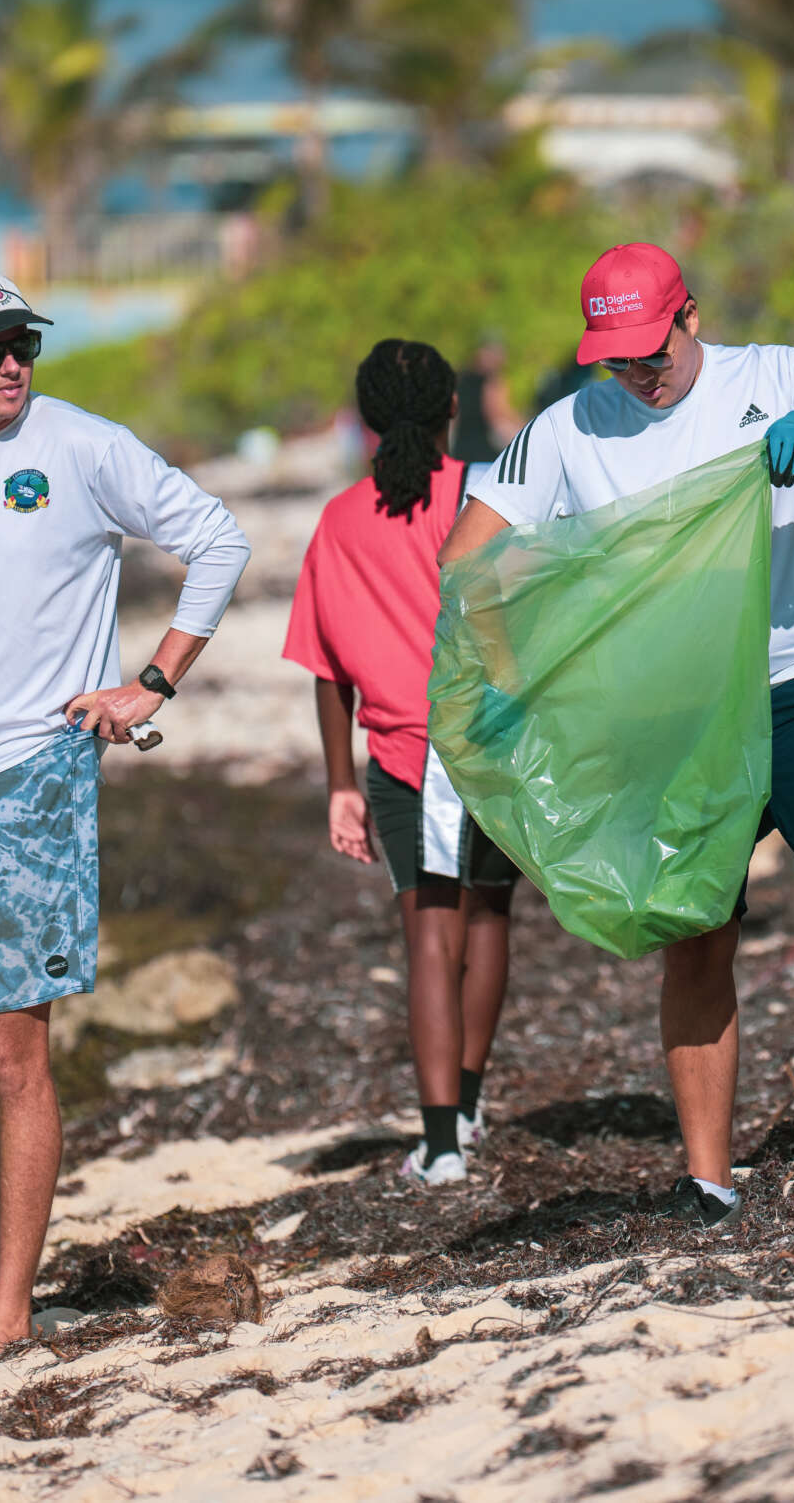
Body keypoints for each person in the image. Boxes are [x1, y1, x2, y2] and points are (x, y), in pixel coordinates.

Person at [442, 242, 794, 1228]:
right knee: (696, 930)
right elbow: (470, 558)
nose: (637, 372)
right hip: (673, 709)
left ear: (689, 317)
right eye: (616, 357)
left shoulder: (774, 373)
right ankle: (708, 1178)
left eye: (651, 348)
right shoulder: (566, 430)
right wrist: (534, 660)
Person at [0, 269, 251, 1390]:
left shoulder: (84, 446)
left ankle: (11, 1308)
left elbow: (218, 541)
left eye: (24, 343)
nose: (11, 364)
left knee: (12, 1052)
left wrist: (152, 682)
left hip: (33, 779)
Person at [284, 339, 521, 1187]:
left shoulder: (341, 520)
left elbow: (327, 668)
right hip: (492, 743)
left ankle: (442, 1144)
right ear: (455, 407)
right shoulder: (485, 495)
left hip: (401, 756)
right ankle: (469, 1103)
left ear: (367, 419)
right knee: (488, 916)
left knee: (429, 933)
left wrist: (340, 784)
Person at [448, 331, 517, 465]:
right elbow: (497, 415)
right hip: (484, 453)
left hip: (460, 452)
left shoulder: (458, 378)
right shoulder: (492, 381)